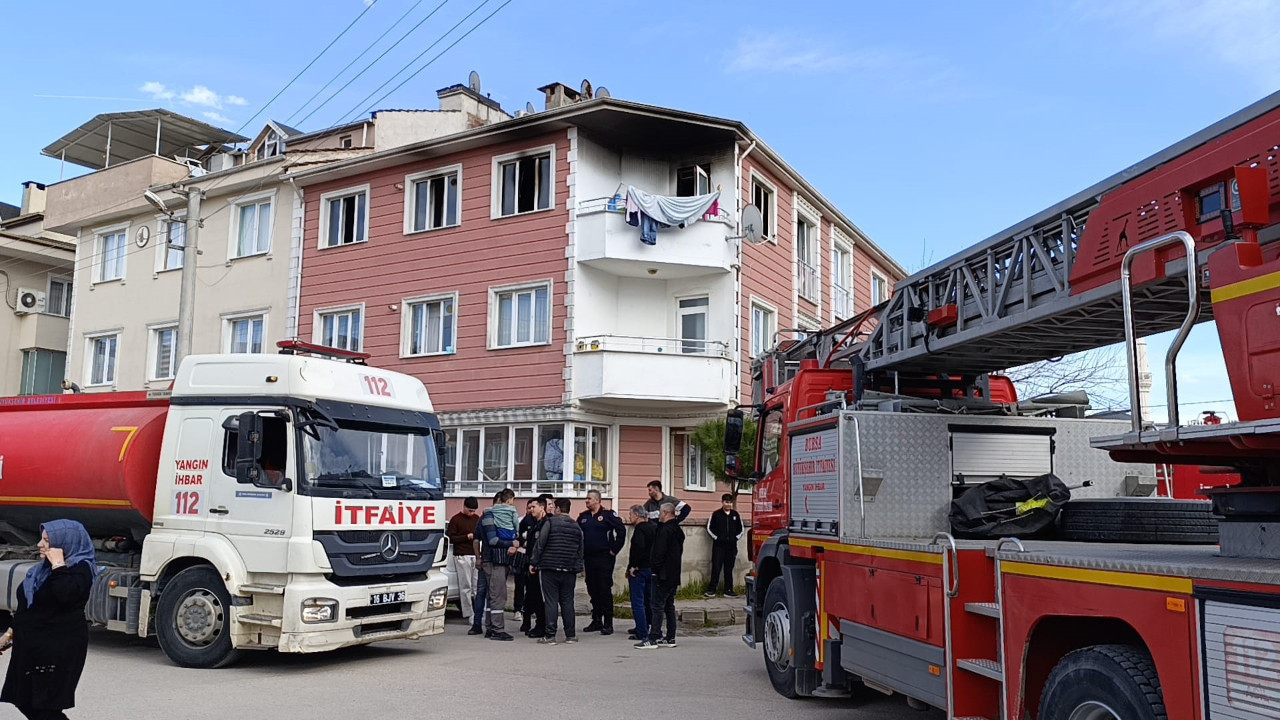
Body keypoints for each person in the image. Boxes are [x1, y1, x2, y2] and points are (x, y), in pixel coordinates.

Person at [0, 520, 96, 720]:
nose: (39, 545)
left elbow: (66, 594)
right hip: (31, 647)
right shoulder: (42, 570)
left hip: (58, 649)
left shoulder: (80, 568)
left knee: (45, 708)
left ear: (65, 544)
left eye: (47, 541)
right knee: (23, 700)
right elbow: (30, 607)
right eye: (41, 539)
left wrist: (59, 565)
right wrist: (10, 634)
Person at [532, 497, 583, 645]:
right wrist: (578, 567)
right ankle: (570, 635)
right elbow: (581, 549)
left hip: (549, 567)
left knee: (551, 601)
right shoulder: (576, 526)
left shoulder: (550, 522)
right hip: (569, 568)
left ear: (559, 509)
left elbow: (540, 544)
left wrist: (534, 562)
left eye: (554, 508)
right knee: (567, 601)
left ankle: (550, 635)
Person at [577, 490, 625, 635]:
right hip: (589, 557)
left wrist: (614, 549)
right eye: (586, 498)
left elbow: (621, 531)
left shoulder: (608, 515)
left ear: (597, 500)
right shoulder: (583, 517)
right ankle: (596, 619)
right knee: (592, 588)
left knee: (604, 588)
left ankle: (608, 623)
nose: (586, 501)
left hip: (604, 557)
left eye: (589, 498)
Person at [637, 503, 684, 649]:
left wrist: (655, 570)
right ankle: (670, 637)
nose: (659, 516)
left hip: (662, 574)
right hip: (674, 574)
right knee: (669, 605)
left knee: (656, 605)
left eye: (660, 513)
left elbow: (659, 552)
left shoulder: (665, 530)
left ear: (665, 512)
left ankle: (653, 637)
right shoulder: (678, 529)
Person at [479, 488, 521, 641]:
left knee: (492, 596)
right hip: (494, 561)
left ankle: (490, 627)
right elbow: (492, 541)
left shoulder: (490, 516)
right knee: (498, 595)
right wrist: (512, 542)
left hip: (495, 560)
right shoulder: (489, 517)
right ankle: (497, 629)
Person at [446, 497, 481, 624]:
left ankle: (478, 612)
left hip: (475, 554)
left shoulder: (477, 519)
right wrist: (466, 537)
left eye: (474, 511)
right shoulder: (455, 520)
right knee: (465, 586)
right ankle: (468, 613)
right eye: (470, 510)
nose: (472, 513)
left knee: (477, 586)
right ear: (464, 507)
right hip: (461, 554)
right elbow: (451, 537)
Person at [624, 505, 656, 643]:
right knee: (648, 601)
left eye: (630, 514)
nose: (629, 517)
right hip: (651, 569)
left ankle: (642, 632)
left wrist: (632, 567)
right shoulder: (653, 527)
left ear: (637, 515)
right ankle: (647, 626)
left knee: (637, 602)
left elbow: (638, 549)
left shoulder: (640, 529)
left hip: (640, 570)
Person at [705, 493, 744, 598]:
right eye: (726, 502)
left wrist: (735, 538)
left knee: (729, 568)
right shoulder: (716, 514)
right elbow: (709, 528)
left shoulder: (735, 515)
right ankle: (712, 590)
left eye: (730, 502)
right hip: (719, 546)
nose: (728, 504)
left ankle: (728, 590)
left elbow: (741, 529)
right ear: (722, 502)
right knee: (716, 567)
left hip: (731, 547)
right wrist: (717, 538)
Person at [518, 498, 547, 638]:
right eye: (529, 507)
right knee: (530, 595)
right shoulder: (529, 521)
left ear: (542, 508)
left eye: (533, 507)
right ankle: (528, 622)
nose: (531, 510)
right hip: (529, 563)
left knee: (540, 597)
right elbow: (522, 537)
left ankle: (542, 625)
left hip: (540, 566)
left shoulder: (547, 523)